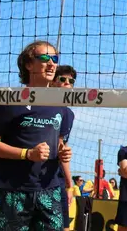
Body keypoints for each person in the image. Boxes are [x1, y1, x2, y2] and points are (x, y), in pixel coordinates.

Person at [0, 40, 73, 231]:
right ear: (28, 64)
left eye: (55, 58)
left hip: (49, 190)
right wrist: (26, 154)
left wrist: (63, 153)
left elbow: (58, 144)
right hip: (14, 190)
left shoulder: (62, 107)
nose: (51, 63)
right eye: (44, 57)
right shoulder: (11, 101)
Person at [53, 64, 78, 231]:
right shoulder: (37, 104)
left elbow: (62, 146)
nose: (67, 83)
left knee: (63, 226)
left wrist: (69, 183)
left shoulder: (68, 113)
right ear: (53, 82)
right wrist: (70, 183)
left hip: (55, 176)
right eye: (62, 79)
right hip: (36, 176)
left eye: (71, 81)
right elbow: (59, 144)